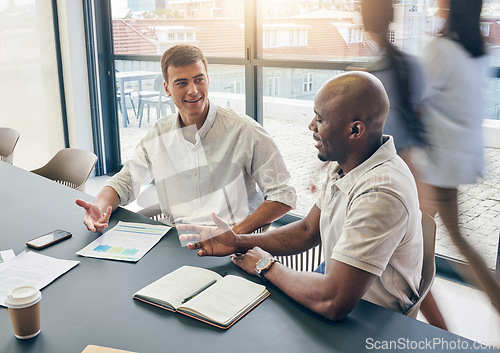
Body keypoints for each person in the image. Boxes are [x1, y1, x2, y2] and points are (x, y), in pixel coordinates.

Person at [178, 71, 424, 320]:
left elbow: (334, 301)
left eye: (320, 118)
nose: (311, 126)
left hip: (372, 318)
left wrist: (266, 266)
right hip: (339, 284)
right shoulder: (349, 162)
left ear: (355, 130)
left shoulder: (380, 193)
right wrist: (238, 241)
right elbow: (308, 230)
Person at [76, 44, 296, 235]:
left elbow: (283, 196)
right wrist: (100, 206)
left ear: (208, 80)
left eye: (199, 80)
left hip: (233, 246)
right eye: (181, 83)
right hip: (177, 241)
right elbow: (124, 182)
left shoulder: (246, 131)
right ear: (167, 88)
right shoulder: (160, 134)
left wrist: (236, 233)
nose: (193, 90)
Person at [361, 0, 448, 330]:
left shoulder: (369, 78)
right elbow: (426, 118)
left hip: (390, 185)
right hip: (419, 177)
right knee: (417, 275)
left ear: (366, 25)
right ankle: (445, 337)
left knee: (404, 278)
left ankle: (445, 339)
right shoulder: (412, 65)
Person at [417, 0, 500, 315]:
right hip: (456, 157)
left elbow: (417, 100)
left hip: (435, 161)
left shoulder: (440, 50)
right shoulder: (478, 50)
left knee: (410, 239)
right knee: (446, 237)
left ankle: (430, 324)